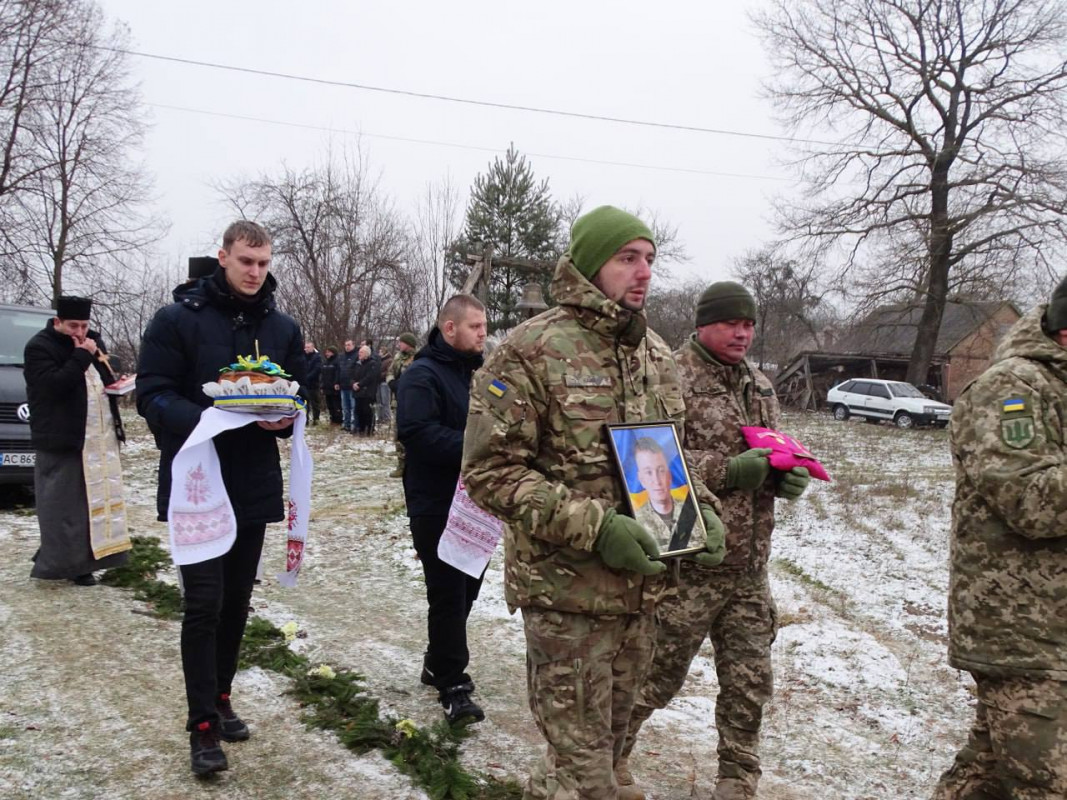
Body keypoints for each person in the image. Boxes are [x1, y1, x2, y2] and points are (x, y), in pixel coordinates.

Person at [461, 206, 726, 799]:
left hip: (640, 598)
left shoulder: (654, 355)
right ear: (588, 265)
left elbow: (665, 455)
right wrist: (597, 527)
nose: (644, 271)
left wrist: (700, 507)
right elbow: (489, 472)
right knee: (587, 774)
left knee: (609, 748)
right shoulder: (528, 350)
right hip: (567, 600)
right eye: (627, 258)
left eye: (649, 259)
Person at [620, 281, 809, 800]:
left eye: (748, 325)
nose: (742, 333)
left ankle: (738, 778)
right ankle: (611, 758)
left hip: (749, 569)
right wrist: (728, 471)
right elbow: (646, 459)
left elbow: (770, 449)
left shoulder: (760, 385)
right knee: (654, 676)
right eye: (731, 323)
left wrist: (784, 475)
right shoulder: (670, 376)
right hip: (691, 562)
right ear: (704, 324)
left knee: (749, 683)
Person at [136, 220, 305, 777]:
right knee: (203, 603)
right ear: (223, 257)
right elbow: (151, 395)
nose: (255, 272)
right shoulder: (175, 320)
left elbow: (298, 391)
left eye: (263, 263)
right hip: (197, 480)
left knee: (235, 602)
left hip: (251, 481)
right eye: (245, 261)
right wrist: (212, 418)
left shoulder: (281, 326)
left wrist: (284, 417)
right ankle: (202, 726)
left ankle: (222, 696)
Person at [931, 277, 1067, 800]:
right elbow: (1030, 500)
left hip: (1051, 632)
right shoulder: (1010, 388)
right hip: (1023, 629)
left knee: (984, 779)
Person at [396, 295, 488, 724]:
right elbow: (417, 433)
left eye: (484, 326)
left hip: (477, 503)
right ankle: (453, 685)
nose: (483, 333)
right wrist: (479, 448)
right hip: (435, 502)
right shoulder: (421, 374)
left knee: (467, 589)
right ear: (450, 329)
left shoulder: (481, 376)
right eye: (475, 326)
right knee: (448, 591)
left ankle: (436, 662)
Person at [24, 295, 130, 586]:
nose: (80, 332)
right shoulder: (39, 347)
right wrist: (82, 355)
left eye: (84, 325)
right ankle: (67, 564)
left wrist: (119, 382)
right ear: (57, 321)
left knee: (91, 503)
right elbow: (53, 386)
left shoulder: (93, 342)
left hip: (99, 437)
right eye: (73, 326)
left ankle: (86, 560)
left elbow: (105, 377)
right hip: (62, 437)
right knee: (62, 505)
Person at [631, 436, 698, 553]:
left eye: (661, 470)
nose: (657, 480)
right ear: (641, 479)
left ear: (669, 475)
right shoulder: (635, 522)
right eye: (648, 472)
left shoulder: (692, 510)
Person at [388, 332, 418, 478]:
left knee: (413, 434)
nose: (399, 344)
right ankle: (401, 465)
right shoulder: (397, 358)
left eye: (402, 342)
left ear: (409, 344)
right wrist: (392, 383)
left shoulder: (418, 358)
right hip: (398, 401)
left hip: (412, 401)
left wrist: (406, 385)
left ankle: (414, 464)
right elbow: (390, 372)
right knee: (398, 434)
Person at [352, 344, 379, 435]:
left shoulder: (372, 363)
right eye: (359, 352)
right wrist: (353, 383)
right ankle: (361, 429)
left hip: (368, 392)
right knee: (359, 410)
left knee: (367, 411)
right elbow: (352, 374)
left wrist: (359, 384)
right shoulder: (357, 364)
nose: (359, 354)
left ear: (367, 354)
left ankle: (369, 430)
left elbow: (370, 377)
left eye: (361, 352)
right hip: (358, 391)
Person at [336, 339, 359, 431]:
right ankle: (346, 424)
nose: (347, 347)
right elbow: (338, 370)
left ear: (353, 345)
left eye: (349, 345)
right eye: (346, 345)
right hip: (343, 385)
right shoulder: (341, 356)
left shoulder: (357, 355)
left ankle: (353, 425)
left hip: (352, 385)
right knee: (345, 407)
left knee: (353, 406)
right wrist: (337, 382)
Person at [302, 341, 323, 425]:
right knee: (305, 402)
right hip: (304, 384)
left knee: (315, 403)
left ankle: (316, 419)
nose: (306, 349)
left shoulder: (317, 357)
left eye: (308, 347)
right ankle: (305, 419)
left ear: (312, 347)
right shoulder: (303, 356)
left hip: (314, 383)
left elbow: (317, 369)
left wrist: (308, 377)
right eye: (305, 347)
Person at [321, 345, 342, 424]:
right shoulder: (325, 362)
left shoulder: (337, 362)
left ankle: (338, 420)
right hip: (326, 387)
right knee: (329, 405)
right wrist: (322, 385)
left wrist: (336, 383)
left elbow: (338, 373)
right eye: (326, 352)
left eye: (329, 352)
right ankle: (332, 418)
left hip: (334, 387)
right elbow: (322, 375)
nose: (327, 354)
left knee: (336, 404)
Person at [377, 346, 393, 427]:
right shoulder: (379, 360)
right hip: (378, 382)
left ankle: (387, 418)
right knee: (379, 401)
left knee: (385, 401)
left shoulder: (389, 360)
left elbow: (388, 371)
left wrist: (379, 375)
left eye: (380, 351)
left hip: (385, 382)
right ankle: (380, 417)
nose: (379, 353)